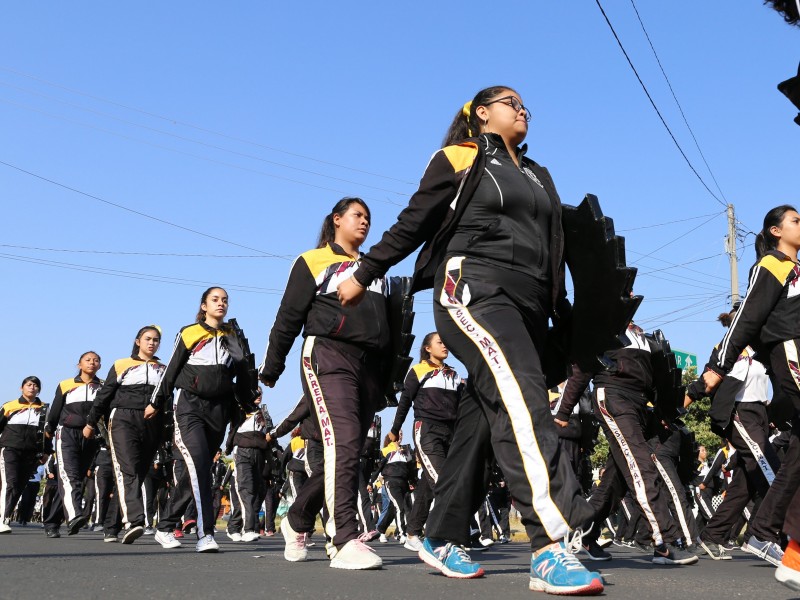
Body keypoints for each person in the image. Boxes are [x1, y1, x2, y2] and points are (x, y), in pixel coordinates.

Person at [337, 86, 603, 594]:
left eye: (526, 104)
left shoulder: (536, 172)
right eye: (509, 101)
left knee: (484, 417)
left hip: (529, 306)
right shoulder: (460, 157)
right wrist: (367, 272)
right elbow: (414, 222)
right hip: (471, 290)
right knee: (523, 398)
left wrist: (564, 313)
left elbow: (554, 249)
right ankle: (549, 544)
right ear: (481, 114)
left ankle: (440, 533)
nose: (522, 108)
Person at [260, 197, 388, 570]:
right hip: (327, 353)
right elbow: (288, 316)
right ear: (337, 220)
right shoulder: (313, 260)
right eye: (357, 215)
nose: (364, 222)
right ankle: (343, 538)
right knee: (345, 442)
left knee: (347, 451)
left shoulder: (374, 267)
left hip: (369, 366)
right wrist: (272, 366)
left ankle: (298, 519)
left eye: (368, 217)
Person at [701, 206, 800, 590]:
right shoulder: (771, 265)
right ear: (775, 231)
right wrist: (717, 365)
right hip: (789, 352)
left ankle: (768, 534)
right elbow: (747, 319)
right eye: (795, 220)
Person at [148, 287, 253, 553]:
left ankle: (164, 526)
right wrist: (156, 402)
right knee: (197, 464)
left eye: (225, 300)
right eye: (215, 300)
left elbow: (243, 373)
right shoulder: (189, 332)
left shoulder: (234, 335)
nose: (221, 304)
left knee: (201, 468)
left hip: (220, 410)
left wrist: (248, 400)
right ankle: (205, 533)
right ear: (204, 306)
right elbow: (171, 369)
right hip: (190, 407)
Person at [81, 325, 166, 544]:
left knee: (136, 474)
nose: (152, 343)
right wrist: (91, 422)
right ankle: (135, 522)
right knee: (127, 469)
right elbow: (104, 395)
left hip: (152, 422)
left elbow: (168, 399)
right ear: (138, 341)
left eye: (156, 340)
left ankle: (111, 526)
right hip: (123, 419)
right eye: (147, 339)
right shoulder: (121, 364)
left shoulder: (163, 368)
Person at [387, 332, 460, 552]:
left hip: (451, 433)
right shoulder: (418, 370)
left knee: (427, 488)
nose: (445, 345)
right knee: (443, 483)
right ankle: (444, 538)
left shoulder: (454, 374)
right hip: (427, 430)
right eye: (440, 342)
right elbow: (405, 402)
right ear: (428, 348)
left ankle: (412, 533)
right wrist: (395, 429)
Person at [45, 351, 103, 535]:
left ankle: (52, 522)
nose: (92, 363)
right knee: (69, 477)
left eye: (96, 361)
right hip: (67, 433)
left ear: (99, 366)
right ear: (79, 365)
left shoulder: (102, 387)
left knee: (75, 480)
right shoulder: (66, 384)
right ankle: (75, 516)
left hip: (90, 436)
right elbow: (55, 410)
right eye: (88, 360)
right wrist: (49, 430)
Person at [0, 376, 49, 533]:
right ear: (22, 388)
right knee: (10, 483)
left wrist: (47, 451)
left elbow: (47, 433)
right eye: (29, 384)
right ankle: (3, 519)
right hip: (10, 449)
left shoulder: (43, 408)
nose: (32, 387)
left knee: (19, 487)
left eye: (35, 385)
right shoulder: (10, 406)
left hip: (31, 453)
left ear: (39, 389)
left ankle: (6, 516)